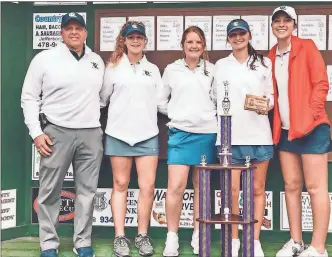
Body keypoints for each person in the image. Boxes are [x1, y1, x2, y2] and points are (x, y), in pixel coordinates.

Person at [21, 13, 104, 257]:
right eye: (69, 28)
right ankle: (48, 243)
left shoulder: (96, 61)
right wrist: (36, 133)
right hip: (56, 132)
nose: (74, 32)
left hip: (90, 133)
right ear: (62, 32)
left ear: (86, 33)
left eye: (79, 28)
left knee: (87, 191)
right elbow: (29, 97)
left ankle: (83, 242)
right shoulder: (44, 59)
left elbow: (102, 97)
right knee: (49, 191)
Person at [268, 6, 332, 257]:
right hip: (286, 132)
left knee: (316, 188)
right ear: (272, 26)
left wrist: (310, 115)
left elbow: (321, 84)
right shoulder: (271, 56)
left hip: (313, 129)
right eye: (277, 21)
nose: (282, 24)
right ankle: (296, 241)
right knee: (291, 185)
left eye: (287, 20)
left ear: (294, 25)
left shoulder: (307, 46)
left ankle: (318, 247)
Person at [100, 21, 162, 257]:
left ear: (145, 41)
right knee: (120, 185)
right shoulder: (113, 67)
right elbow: (103, 99)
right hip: (118, 134)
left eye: (139, 37)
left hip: (147, 135)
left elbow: (161, 103)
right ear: (124, 40)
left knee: (147, 187)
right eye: (131, 37)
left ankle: (143, 235)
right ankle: (119, 237)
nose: (135, 41)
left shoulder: (153, 69)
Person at [212, 19, 274, 257]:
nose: (237, 38)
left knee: (257, 190)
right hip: (229, 136)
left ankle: (254, 239)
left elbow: (271, 97)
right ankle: (234, 238)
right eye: (233, 35)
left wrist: (263, 105)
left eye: (241, 33)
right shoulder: (220, 65)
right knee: (232, 191)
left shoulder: (263, 63)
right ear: (228, 38)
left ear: (249, 35)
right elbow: (214, 97)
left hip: (259, 134)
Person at [157, 26, 217, 257]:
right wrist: (177, 115)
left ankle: (199, 232)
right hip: (180, 134)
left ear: (203, 45)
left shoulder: (212, 70)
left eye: (198, 42)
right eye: (189, 42)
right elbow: (161, 101)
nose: (194, 46)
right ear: (183, 44)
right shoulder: (172, 70)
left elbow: (216, 100)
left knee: (202, 188)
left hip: (207, 134)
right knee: (175, 187)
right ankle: (172, 237)